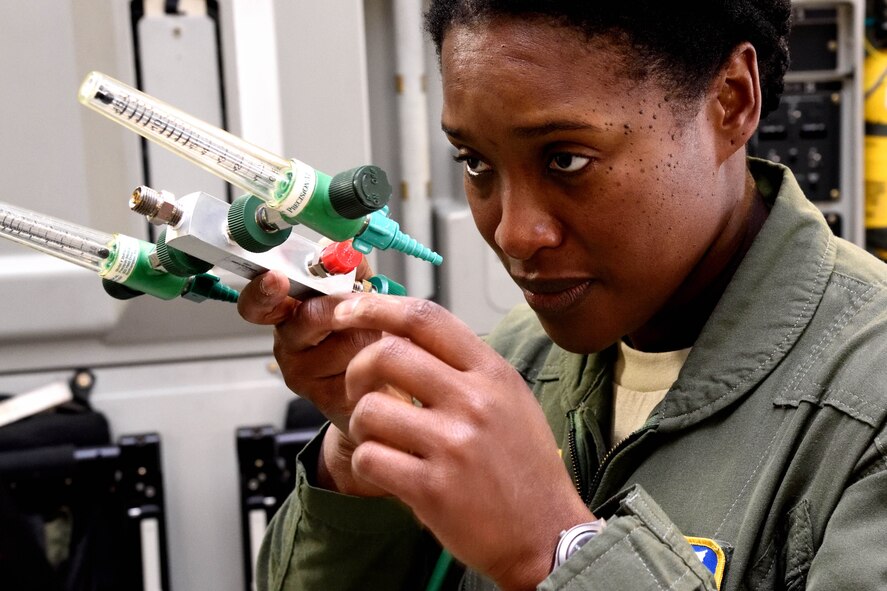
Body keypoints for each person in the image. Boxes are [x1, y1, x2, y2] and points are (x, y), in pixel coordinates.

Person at [238, 1, 887, 589]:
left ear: (730, 101)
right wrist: (359, 471)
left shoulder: (865, 406)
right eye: (474, 163)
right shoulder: (510, 361)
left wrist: (553, 549)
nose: (514, 234)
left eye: (565, 160)